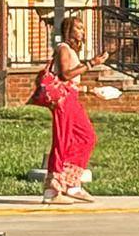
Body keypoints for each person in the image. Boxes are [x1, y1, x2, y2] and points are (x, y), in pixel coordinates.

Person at [41, 14, 99, 205]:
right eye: (78, 28)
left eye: (82, 28)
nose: (81, 32)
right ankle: (52, 190)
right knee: (62, 141)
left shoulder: (71, 51)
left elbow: (71, 81)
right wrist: (90, 65)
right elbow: (65, 74)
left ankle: (72, 183)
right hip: (63, 100)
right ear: (68, 30)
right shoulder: (63, 49)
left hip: (72, 98)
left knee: (86, 137)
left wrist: (90, 90)